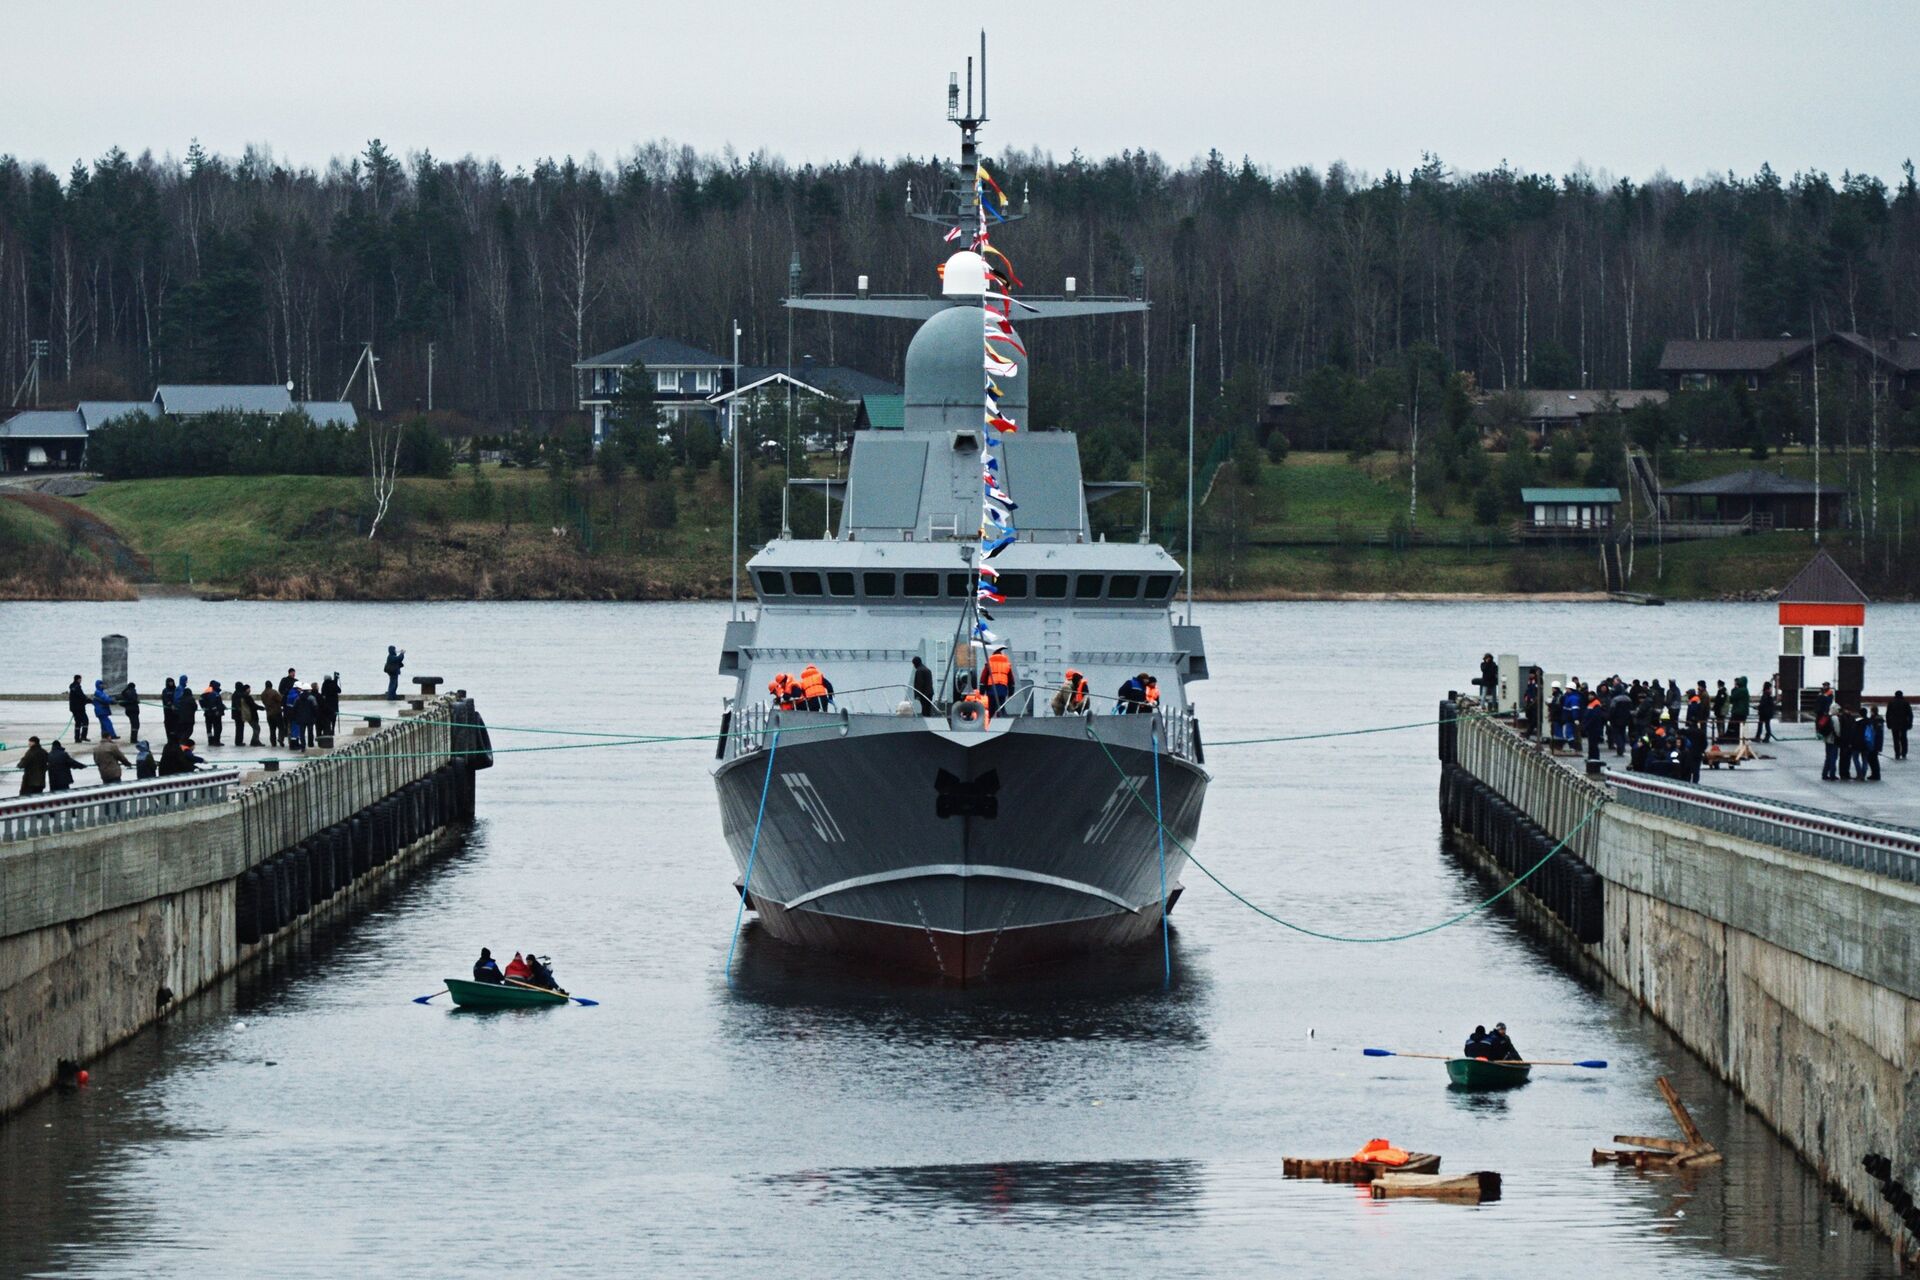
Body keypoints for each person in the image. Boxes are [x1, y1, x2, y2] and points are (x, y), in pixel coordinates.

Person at [232, 682, 261, 747]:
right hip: (239, 714)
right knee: (240, 728)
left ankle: (238, 741)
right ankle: (239, 742)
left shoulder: (235, 694)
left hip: (235, 714)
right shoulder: (239, 694)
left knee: (238, 728)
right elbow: (240, 704)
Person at [1819, 704, 1842, 781]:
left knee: (1828, 757)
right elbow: (1837, 730)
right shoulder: (1835, 718)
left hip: (1826, 739)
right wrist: (1839, 737)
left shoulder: (1828, 717)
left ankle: (1824, 773)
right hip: (1833, 740)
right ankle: (1832, 774)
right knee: (1833, 758)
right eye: (1838, 710)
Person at [199, 681, 226, 747]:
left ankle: (210, 740)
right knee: (218, 728)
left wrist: (204, 708)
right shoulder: (214, 693)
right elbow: (214, 703)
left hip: (207, 714)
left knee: (209, 728)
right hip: (215, 714)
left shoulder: (205, 693)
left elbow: (201, 700)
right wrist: (216, 710)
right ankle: (216, 741)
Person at [1888, 691, 1912, 762]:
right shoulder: (1906, 702)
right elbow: (1910, 714)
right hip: (1904, 724)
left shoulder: (1891, 702)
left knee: (1895, 739)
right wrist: (1910, 723)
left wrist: (1888, 724)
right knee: (1904, 739)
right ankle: (1904, 753)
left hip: (1894, 724)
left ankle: (1897, 753)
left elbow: (1888, 714)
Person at [67, 675, 91, 743]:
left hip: (74, 708)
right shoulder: (77, 687)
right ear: (78, 679)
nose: (81, 680)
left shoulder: (73, 687)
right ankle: (83, 736)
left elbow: (78, 697)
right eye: (80, 679)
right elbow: (81, 696)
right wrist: (89, 700)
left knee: (78, 723)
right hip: (79, 708)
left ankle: (77, 738)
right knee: (85, 721)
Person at [1582, 695, 1606, 763]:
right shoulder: (1591, 704)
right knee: (1591, 743)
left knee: (1593, 744)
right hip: (1591, 727)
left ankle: (1594, 758)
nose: (1589, 697)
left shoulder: (1596, 704)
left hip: (1594, 727)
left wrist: (1586, 724)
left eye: (1591, 695)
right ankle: (1591, 757)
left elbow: (1593, 717)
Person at [262, 679, 286, 748]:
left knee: (272, 729)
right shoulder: (274, 692)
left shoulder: (262, 694)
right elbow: (280, 700)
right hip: (277, 712)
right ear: (271, 685)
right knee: (281, 727)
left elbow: (264, 702)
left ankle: (273, 743)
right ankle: (280, 739)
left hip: (269, 714)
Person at [1864, 709, 1885, 782]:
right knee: (1872, 759)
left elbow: (1875, 733)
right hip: (1876, 743)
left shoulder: (1876, 720)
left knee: (1873, 759)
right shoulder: (1877, 720)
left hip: (1874, 743)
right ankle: (1875, 774)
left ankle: (1876, 774)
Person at [1728, 676, 1750, 743]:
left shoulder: (1740, 690)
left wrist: (1734, 689)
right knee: (1740, 726)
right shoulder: (1745, 689)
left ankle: (1733, 739)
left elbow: (1732, 698)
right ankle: (1739, 738)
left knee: (1734, 725)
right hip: (1743, 712)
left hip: (1738, 711)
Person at [285, 685, 307, 751]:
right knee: (295, 731)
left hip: (290, 715)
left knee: (293, 730)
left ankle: (294, 744)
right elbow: (297, 706)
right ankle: (294, 745)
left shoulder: (290, 694)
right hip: (295, 716)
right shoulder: (296, 696)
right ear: (297, 688)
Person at [321, 673, 342, 739]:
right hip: (335, 704)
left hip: (327, 704)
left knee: (328, 718)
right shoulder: (333, 683)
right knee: (334, 717)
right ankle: (333, 729)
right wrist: (335, 682)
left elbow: (322, 693)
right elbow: (339, 690)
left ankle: (328, 729)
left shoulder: (324, 684)